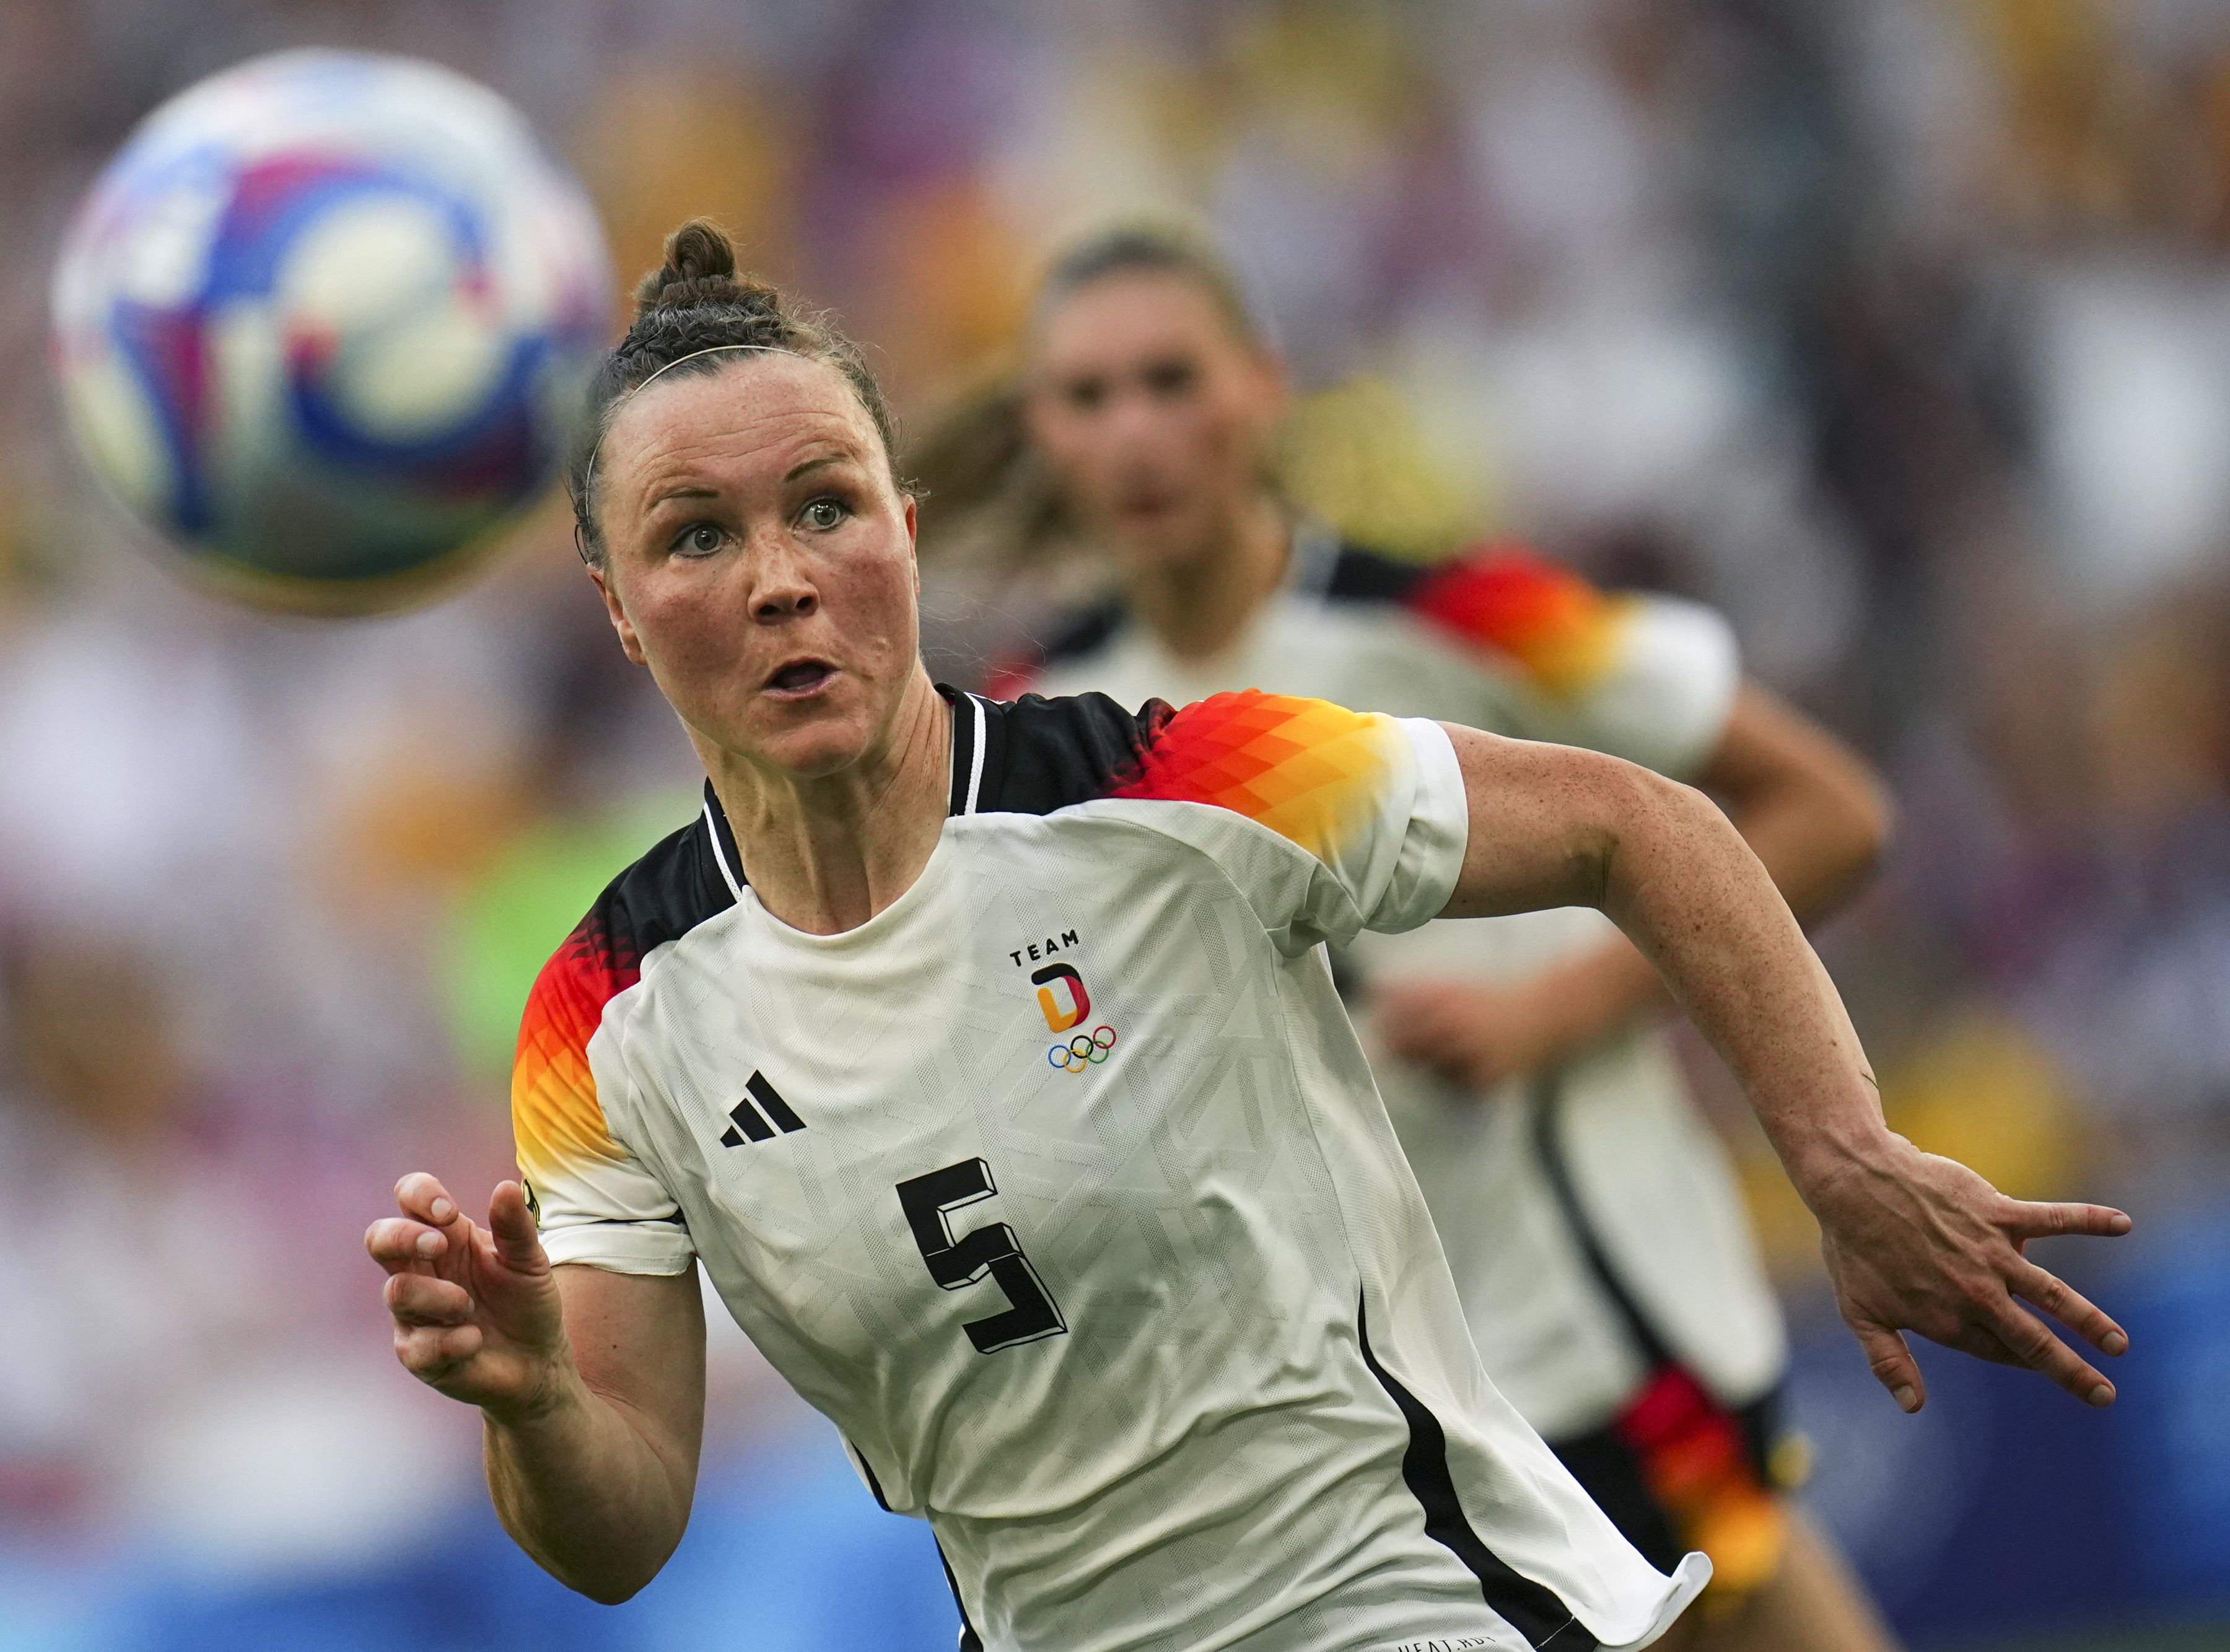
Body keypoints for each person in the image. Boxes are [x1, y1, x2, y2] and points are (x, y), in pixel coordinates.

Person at [366, 221, 2131, 1652]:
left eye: (826, 505)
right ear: (613, 606)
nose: (776, 575)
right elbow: (619, 1526)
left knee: (1758, 1579)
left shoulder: (1211, 747)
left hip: (1441, 1551)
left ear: (907, 526)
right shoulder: (600, 1012)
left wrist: (1839, 1152)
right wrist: (529, 1402)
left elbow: (1649, 812)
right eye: (696, 536)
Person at [984, 222, 1897, 1647]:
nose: (1133, 433)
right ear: (1039, 430)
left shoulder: (1465, 614)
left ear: (1261, 390)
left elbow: (1827, 808)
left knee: (1747, 1591)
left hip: (1596, 1325)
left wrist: (1559, 1004)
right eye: (1086, 398)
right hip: (1343, 1407)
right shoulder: (1035, 724)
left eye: (1169, 380)